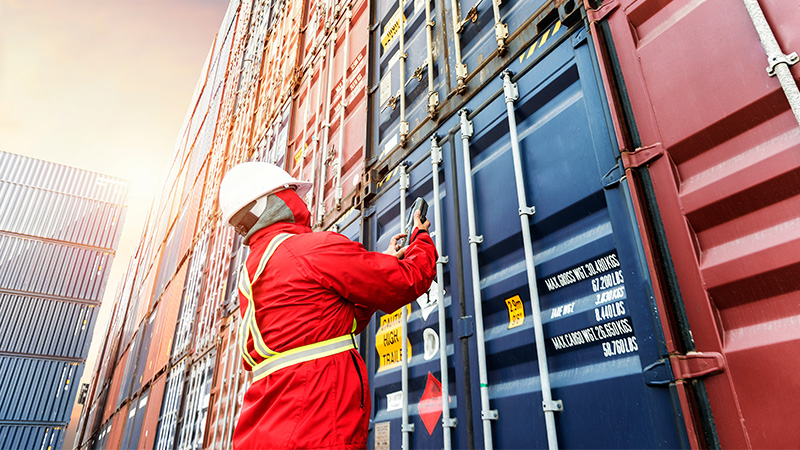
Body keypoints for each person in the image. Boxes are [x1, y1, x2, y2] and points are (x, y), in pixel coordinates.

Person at [218, 162, 437, 450]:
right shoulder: (311, 249)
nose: (299, 199)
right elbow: (405, 282)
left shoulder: (253, 272)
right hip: (314, 425)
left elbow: (332, 324)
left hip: (267, 427)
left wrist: (381, 266)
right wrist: (420, 239)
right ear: (272, 202)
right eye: (291, 192)